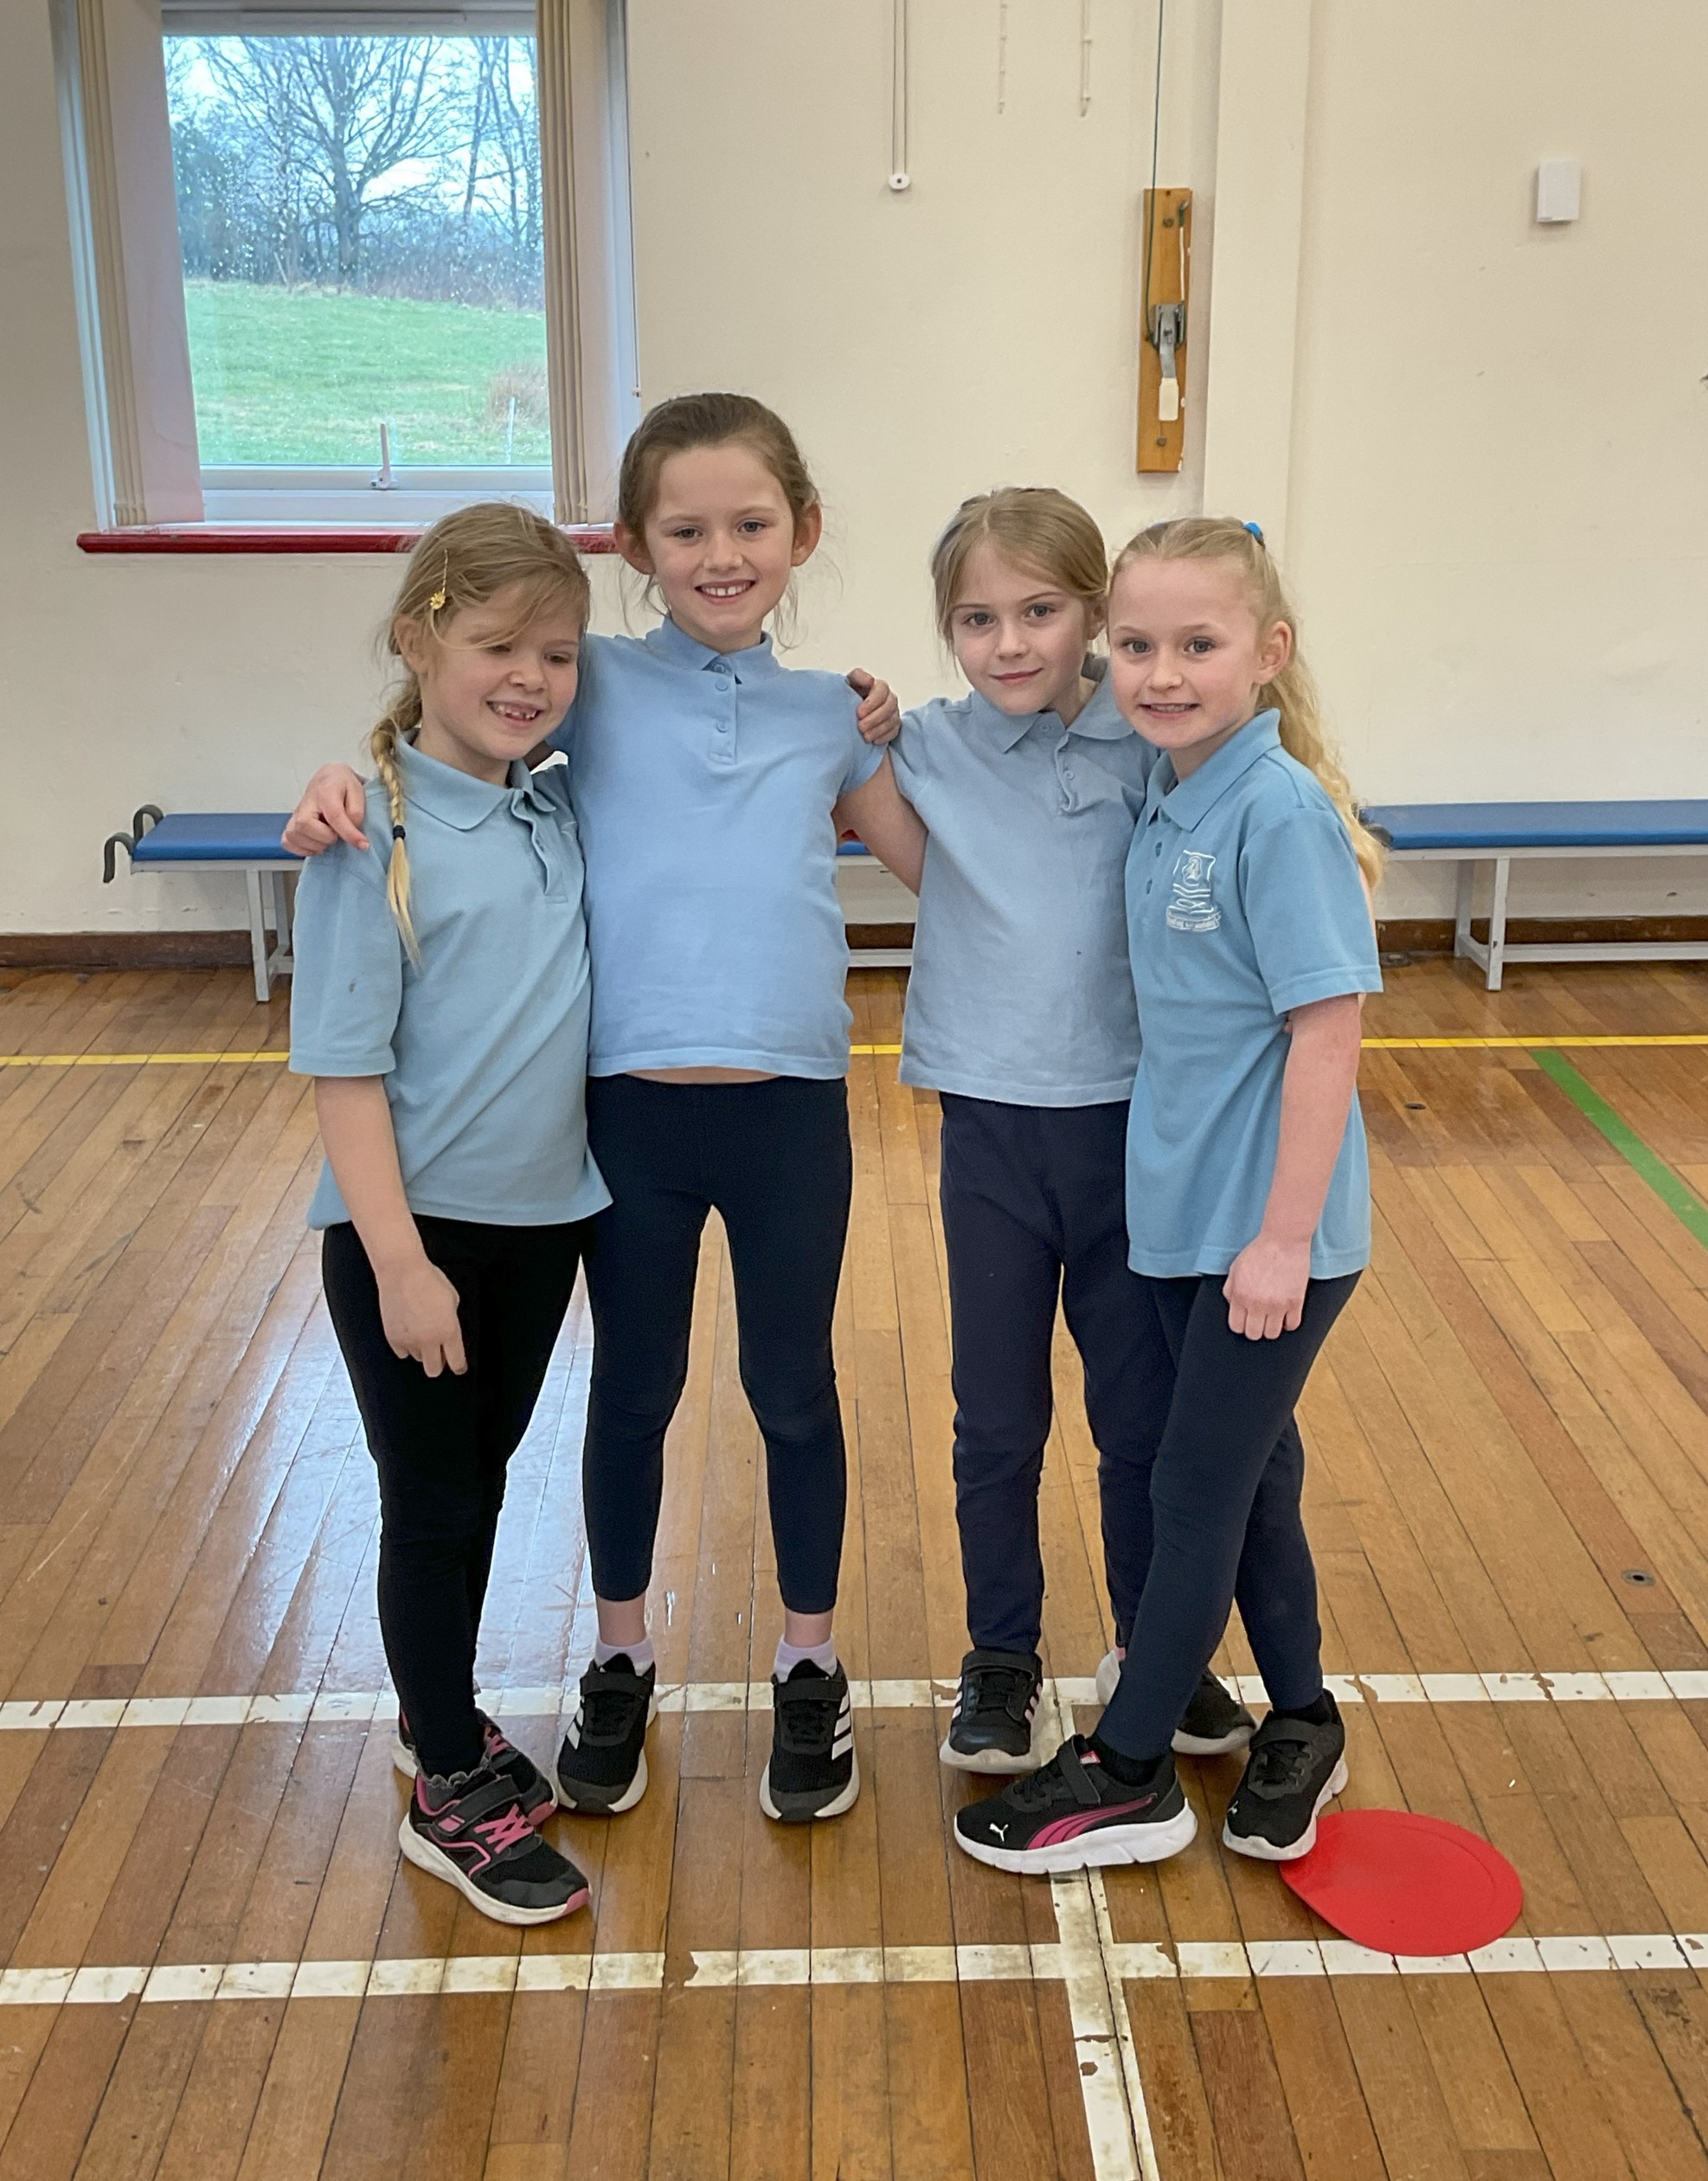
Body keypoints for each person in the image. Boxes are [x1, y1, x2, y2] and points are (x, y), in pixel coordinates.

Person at [286, 394, 914, 1830]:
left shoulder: (834, 716)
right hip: (626, 1121)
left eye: (751, 524)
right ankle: (619, 1656)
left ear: (803, 531)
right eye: (685, 529)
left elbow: (951, 867)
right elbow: (455, 712)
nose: (721, 554)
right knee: (632, 1393)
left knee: (794, 1391)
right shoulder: (593, 680)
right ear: (634, 545)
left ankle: (808, 1662)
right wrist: (336, 779)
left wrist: (1058, 722)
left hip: (790, 1116)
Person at [954, 515, 1383, 1874]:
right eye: (1136, 645)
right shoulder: (1168, 790)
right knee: (1254, 1479)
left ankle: (1129, 1771)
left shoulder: (1275, 811)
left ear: (1269, 651)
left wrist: (1283, 1239)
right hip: (1188, 1222)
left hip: (1268, 1236)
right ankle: (1302, 1718)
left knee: (1196, 1488)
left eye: (1198, 644)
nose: (1162, 672)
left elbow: (1329, 1033)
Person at [869, 489, 1254, 1774]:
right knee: (996, 1420)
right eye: (976, 619)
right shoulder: (923, 746)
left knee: (1139, 1420)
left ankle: (1155, 1646)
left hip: (1134, 1138)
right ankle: (1002, 1658)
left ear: (1093, 611)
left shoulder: (1155, 744)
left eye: (1038, 610)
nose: (1010, 642)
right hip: (990, 1136)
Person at [289, 504, 607, 1925]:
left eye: (557, 653)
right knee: (431, 1507)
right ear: (419, 641)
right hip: (415, 1247)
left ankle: (446, 1719)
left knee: (475, 1488)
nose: (528, 677)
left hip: (542, 1234)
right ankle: (444, 1787)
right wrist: (403, 1267)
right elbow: (345, 1079)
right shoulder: (367, 839)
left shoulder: (550, 802)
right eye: (496, 645)